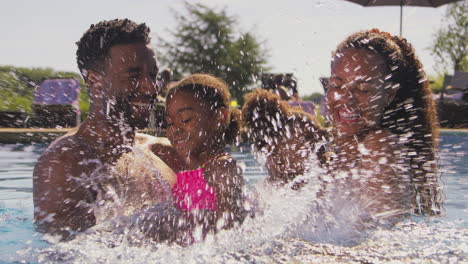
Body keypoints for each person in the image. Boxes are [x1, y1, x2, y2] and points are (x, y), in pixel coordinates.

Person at [33, 19, 176, 238]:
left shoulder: (162, 150)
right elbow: (64, 255)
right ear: (95, 80)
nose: (151, 87)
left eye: (153, 75)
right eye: (134, 75)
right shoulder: (67, 163)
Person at [325, 29, 441, 217]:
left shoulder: (380, 147)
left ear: (389, 95)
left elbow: (380, 240)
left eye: (363, 89)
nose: (346, 100)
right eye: (337, 86)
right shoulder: (343, 147)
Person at [163, 74, 245, 235]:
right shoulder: (183, 168)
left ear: (219, 117)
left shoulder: (223, 167)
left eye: (185, 119)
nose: (175, 130)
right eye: (169, 123)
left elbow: (230, 235)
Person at [242, 89, 327, 188]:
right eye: (271, 153)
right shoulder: (267, 190)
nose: (276, 161)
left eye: (277, 151)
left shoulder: (326, 181)